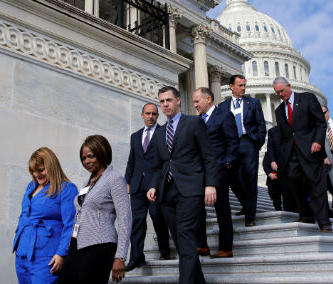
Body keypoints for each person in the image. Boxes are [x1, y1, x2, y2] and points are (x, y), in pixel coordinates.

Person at [147, 86, 218, 284]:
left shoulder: (194, 123)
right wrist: (153, 186)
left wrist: (210, 184)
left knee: (186, 235)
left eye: (168, 100)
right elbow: (158, 165)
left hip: (191, 190)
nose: (165, 105)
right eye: (161, 101)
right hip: (167, 193)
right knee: (181, 242)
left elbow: (208, 156)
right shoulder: (160, 133)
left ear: (178, 100)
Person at [59, 135, 131, 284]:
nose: (86, 161)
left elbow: (125, 218)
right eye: (83, 158)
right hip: (77, 245)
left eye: (90, 156)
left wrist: (120, 256)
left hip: (100, 245)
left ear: (102, 153)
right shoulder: (88, 182)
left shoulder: (114, 178)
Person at [272, 77, 331, 232]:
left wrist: (317, 141)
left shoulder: (307, 98)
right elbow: (285, 134)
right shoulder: (279, 110)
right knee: (293, 180)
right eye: (277, 92)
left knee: (316, 185)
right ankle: (305, 213)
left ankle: (324, 221)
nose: (281, 94)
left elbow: (320, 122)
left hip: (311, 150)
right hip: (292, 153)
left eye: (282, 91)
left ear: (289, 86)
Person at [14, 147, 78, 283]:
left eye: (41, 169)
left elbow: (71, 224)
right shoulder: (31, 186)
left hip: (46, 255)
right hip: (23, 253)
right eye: (33, 171)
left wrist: (61, 253)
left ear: (52, 166)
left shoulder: (66, 189)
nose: (37, 174)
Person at [192, 87, 238, 258]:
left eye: (197, 101)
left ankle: (225, 247)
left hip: (219, 169)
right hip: (199, 171)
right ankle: (201, 245)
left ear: (208, 99)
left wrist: (227, 163)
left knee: (222, 209)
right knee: (198, 208)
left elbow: (233, 142)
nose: (195, 105)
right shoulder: (197, 120)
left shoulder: (224, 116)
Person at [124, 103, 171, 272]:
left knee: (158, 217)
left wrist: (159, 183)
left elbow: (165, 160)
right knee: (137, 222)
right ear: (142, 115)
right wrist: (127, 182)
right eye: (147, 114)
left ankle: (165, 251)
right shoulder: (135, 136)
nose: (151, 116)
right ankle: (136, 257)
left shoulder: (163, 132)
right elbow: (132, 160)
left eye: (154, 114)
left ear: (158, 116)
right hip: (136, 185)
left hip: (155, 185)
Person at [219, 75, 266, 227]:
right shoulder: (223, 106)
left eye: (244, 85)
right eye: (240, 85)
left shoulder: (253, 102)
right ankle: (246, 205)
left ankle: (250, 216)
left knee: (250, 179)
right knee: (231, 177)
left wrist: (256, 142)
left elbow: (261, 125)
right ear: (231, 86)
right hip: (231, 145)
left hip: (248, 142)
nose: (243, 88)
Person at [262, 126, 297, 212]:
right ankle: (278, 207)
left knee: (287, 194)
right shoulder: (270, 153)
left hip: (284, 177)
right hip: (273, 179)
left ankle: (288, 209)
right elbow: (265, 164)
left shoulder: (285, 152)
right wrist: (270, 174)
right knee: (274, 196)